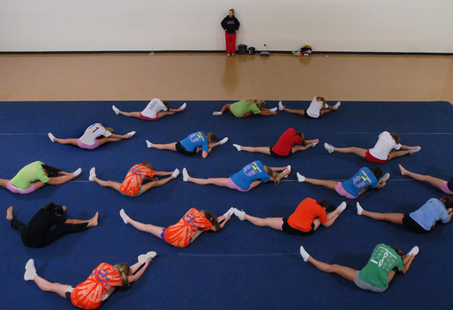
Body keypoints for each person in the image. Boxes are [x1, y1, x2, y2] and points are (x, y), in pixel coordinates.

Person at [23, 251, 156, 309]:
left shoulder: (103, 265)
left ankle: (32, 275)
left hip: (76, 295)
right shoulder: (119, 279)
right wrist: (146, 264)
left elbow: (123, 274)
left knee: (54, 286)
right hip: (91, 305)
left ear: (115, 265)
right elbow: (136, 277)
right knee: (114, 287)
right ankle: (141, 261)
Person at [299, 243, 418, 293]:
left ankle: (309, 258)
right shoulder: (397, 260)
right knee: (396, 269)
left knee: (335, 267)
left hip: (362, 281)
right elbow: (404, 271)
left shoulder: (380, 246)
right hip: (381, 287)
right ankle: (411, 255)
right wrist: (410, 259)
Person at [119, 207, 232, 248]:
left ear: (201, 211)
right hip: (182, 243)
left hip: (169, 235)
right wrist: (225, 219)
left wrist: (223, 217)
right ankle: (202, 230)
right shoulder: (204, 222)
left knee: (148, 227)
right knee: (201, 230)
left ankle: (128, 220)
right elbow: (216, 228)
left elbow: (212, 223)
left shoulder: (192, 210)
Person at [232, 198, 347, 236]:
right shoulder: (321, 212)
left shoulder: (308, 199)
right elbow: (326, 224)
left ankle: (245, 216)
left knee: (266, 221)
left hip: (288, 224)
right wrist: (336, 216)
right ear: (324, 208)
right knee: (320, 220)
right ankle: (338, 210)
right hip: (305, 230)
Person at [6, 203, 98, 248]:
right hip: (38, 243)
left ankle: (10, 217)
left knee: (21, 226)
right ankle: (91, 223)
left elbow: (53, 214)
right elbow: (72, 221)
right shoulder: (53, 218)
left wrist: (60, 210)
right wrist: (87, 220)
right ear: (57, 214)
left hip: (25, 239)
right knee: (63, 229)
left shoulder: (43, 210)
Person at [356, 196, 453, 234]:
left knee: (385, 216)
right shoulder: (444, 214)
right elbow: (446, 220)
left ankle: (362, 212)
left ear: (443, 199)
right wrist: (450, 212)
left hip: (410, 220)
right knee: (437, 220)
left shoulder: (433, 200)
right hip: (424, 230)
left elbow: (435, 206)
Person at [181, 160, 291, 192]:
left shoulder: (257, 163)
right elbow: (274, 178)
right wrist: (284, 171)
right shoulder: (264, 174)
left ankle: (188, 178)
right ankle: (188, 178)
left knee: (210, 180)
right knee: (263, 180)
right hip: (240, 185)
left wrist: (282, 169)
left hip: (234, 182)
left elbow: (270, 170)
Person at [88, 161, 179, 197]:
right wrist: (170, 172)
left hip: (122, 189)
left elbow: (138, 175)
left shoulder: (135, 166)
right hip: (134, 193)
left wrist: (149, 179)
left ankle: (93, 178)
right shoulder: (146, 170)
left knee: (109, 182)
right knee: (155, 183)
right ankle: (172, 177)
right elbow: (159, 173)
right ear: (148, 167)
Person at [324, 131, 421, 163]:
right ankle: (410, 151)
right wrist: (411, 147)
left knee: (353, 149)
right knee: (395, 153)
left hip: (370, 156)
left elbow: (379, 137)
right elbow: (401, 146)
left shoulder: (385, 133)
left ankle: (333, 149)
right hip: (382, 160)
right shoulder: (395, 143)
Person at [296, 167, 389, 199]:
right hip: (353, 196)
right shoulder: (374, 181)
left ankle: (304, 179)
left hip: (342, 189)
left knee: (323, 182)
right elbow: (379, 186)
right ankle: (380, 180)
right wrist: (381, 183)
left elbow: (360, 172)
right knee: (366, 188)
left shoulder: (364, 169)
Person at [0, 161, 81, 194]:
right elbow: (56, 182)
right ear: (46, 173)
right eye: (47, 175)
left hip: (10, 185)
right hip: (23, 189)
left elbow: (52, 169)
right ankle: (73, 175)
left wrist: (67, 173)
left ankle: (70, 174)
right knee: (49, 181)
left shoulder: (38, 163)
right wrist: (71, 176)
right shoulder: (42, 176)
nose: (47, 176)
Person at [232, 128, 319, 158]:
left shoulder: (290, 130)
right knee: (299, 147)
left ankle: (241, 148)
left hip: (274, 152)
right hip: (285, 154)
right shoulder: (298, 139)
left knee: (257, 149)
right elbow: (304, 142)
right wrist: (312, 140)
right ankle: (313, 144)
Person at [48, 123, 135, 150]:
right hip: (91, 146)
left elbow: (99, 126)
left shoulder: (96, 125)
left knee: (69, 140)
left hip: (80, 142)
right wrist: (124, 136)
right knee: (109, 139)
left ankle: (54, 139)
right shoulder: (104, 132)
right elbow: (114, 135)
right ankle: (123, 139)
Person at [146, 131, 228, 159]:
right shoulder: (205, 142)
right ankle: (219, 143)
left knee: (165, 146)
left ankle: (151, 145)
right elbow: (204, 156)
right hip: (187, 152)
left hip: (180, 145)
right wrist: (208, 151)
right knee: (204, 148)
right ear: (209, 139)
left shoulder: (200, 132)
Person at [112, 99, 186, 121]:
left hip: (142, 115)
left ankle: (119, 111)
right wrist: (176, 110)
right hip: (152, 118)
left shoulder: (155, 99)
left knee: (131, 113)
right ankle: (179, 109)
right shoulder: (164, 108)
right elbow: (169, 110)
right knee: (166, 113)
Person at [213, 99, 277, 117]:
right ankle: (270, 110)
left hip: (232, 108)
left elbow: (258, 108)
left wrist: (268, 110)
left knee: (227, 105)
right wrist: (271, 113)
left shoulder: (249, 100)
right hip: (238, 114)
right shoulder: (254, 107)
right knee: (254, 112)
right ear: (258, 105)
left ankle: (221, 112)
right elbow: (263, 113)